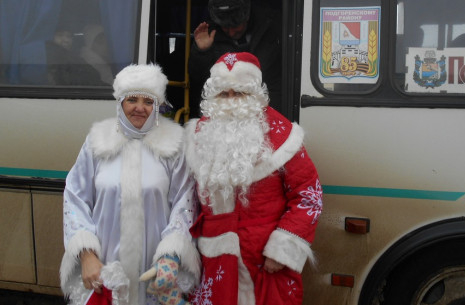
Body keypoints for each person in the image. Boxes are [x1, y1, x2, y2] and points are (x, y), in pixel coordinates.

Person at [185, 52, 322, 305]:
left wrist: (282, 250)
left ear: (254, 95)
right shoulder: (198, 135)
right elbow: (185, 200)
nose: (230, 101)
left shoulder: (284, 137)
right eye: (223, 94)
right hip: (212, 258)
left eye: (239, 93)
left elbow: (308, 196)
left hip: (265, 262)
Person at [60, 63, 201, 305]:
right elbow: (75, 198)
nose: (140, 108)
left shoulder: (174, 145)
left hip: (155, 274)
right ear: (120, 103)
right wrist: (86, 255)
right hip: (105, 270)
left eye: (148, 101)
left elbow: (185, 202)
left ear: (157, 106)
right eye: (132, 99)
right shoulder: (97, 142)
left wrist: (171, 255)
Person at [187, 0, 282, 119]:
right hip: (223, 115)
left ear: (247, 17)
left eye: (236, 25)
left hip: (265, 111)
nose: (231, 32)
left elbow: (278, 79)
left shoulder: (273, 28)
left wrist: (272, 116)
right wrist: (202, 51)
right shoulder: (209, 35)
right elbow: (198, 79)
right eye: (226, 27)